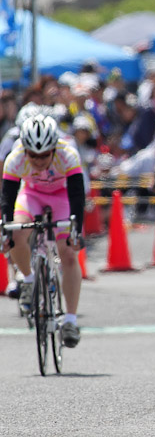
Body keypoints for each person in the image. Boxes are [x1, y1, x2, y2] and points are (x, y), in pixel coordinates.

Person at [1, 114, 85, 348]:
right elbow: (7, 198)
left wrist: (77, 229)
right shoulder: (15, 158)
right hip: (32, 195)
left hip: (62, 197)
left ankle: (70, 320)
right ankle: (28, 280)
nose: (38, 161)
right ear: (25, 150)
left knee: (68, 252)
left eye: (44, 155)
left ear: (53, 150)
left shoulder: (68, 153)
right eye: (33, 156)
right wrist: (6, 231)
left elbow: (78, 195)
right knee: (17, 234)